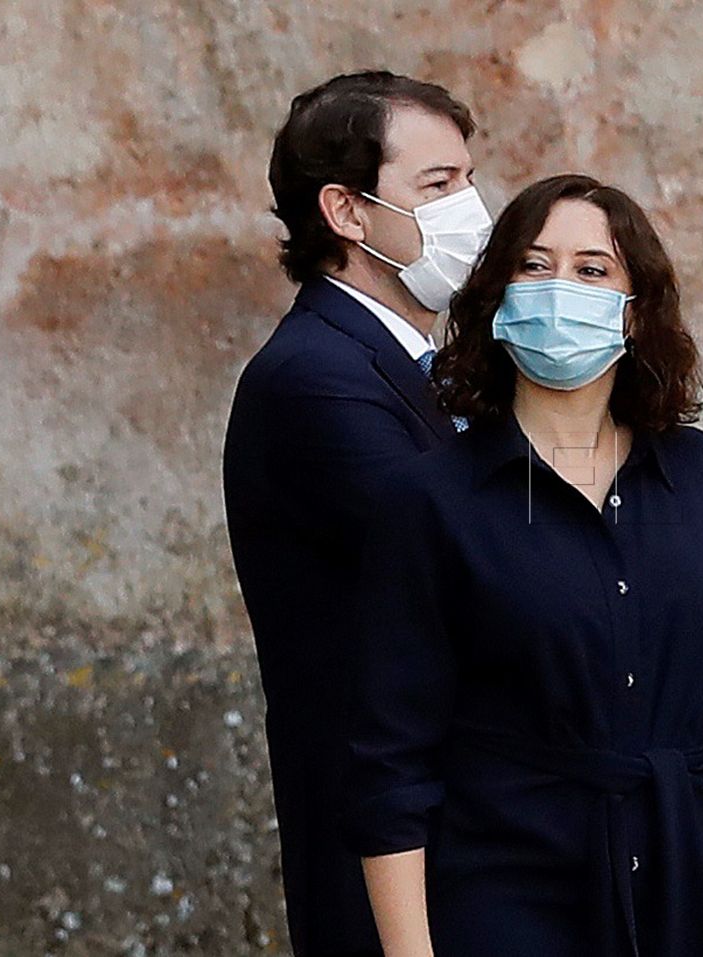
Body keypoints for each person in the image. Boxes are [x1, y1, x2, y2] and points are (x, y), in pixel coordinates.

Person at [342, 174, 703, 957]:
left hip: (685, 896)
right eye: (534, 265)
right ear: (497, 298)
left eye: (593, 269)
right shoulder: (431, 501)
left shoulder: (698, 473)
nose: (560, 287)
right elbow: (391, 761)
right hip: (506, 901)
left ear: (635, 309)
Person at [223, 70, 487, 957]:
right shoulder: (315, 377)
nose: (471, 209)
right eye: (438, 184)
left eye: (468, 179)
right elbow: (469, 562)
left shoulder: (421, 363)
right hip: (396, 856)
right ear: (347, 211)